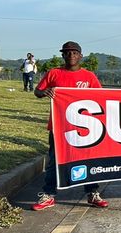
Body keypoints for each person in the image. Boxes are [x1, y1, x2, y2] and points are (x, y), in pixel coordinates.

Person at [31, 41, 108, 211]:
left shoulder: (89, 76)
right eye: (67, 53)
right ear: (63, 55)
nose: (71, 55)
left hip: (84, 129)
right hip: (58, 127)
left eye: (74, 52)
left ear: (81, 55)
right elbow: (37, 91)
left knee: (87, 159)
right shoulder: (54, 73)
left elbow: (100, 96)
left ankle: (92, 193)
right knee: (54, 161)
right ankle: (48, 195)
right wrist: (44, 93)